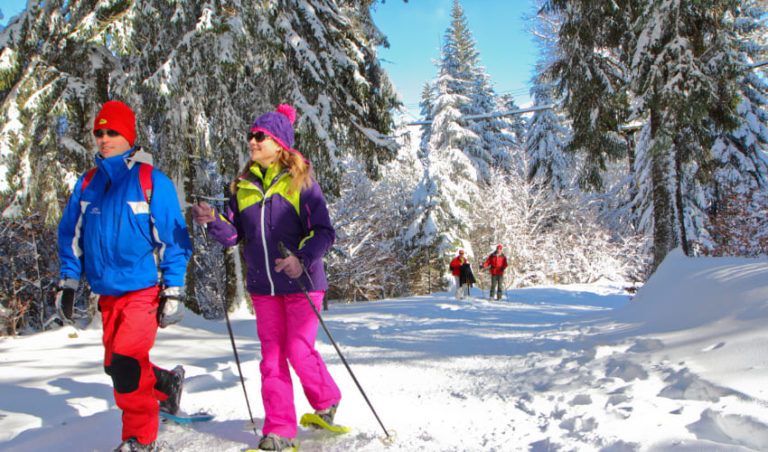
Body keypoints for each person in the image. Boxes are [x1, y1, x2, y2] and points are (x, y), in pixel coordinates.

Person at [191, 104, 341, 452]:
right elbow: (233, 235)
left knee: (298, 351)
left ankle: (326, 399)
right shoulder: (242, 187)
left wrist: (300, 259)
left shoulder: (302, 182)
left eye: (260, 136)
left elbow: (324, 232)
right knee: (272, 359)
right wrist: (213, 219)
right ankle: (279, 431)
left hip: (302, 283)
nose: (252, 141)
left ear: (279, 143)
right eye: (251, 136)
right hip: (263, 287)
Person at [56, 100, 193, 451]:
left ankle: (140, 440)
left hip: (143, 291)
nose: (104, 138)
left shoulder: (150, 181)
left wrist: (174, 289)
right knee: (114, 366)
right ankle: (165, 386)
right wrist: (68, 281)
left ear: (128, 136)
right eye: (99, 132)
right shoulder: (88, 184)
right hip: (107, 294)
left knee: (127, 366)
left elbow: (174, 238)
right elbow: (70, 235)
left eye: (112, 132)